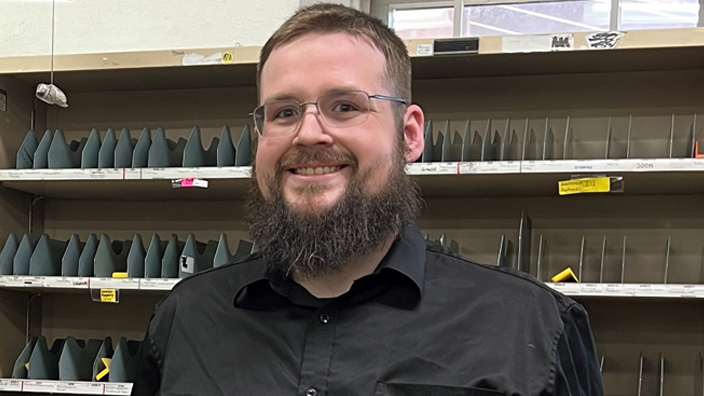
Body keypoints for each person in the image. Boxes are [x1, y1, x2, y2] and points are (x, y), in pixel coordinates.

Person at [131, 4, 604, 395]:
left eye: (345, 107)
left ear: (410, 134)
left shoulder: (532, 327)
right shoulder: (185, 318)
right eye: (284, 112)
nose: (309, 133)